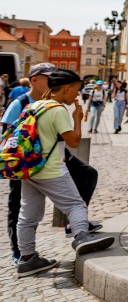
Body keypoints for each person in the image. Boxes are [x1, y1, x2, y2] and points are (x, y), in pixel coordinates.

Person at [15, 69, 115, 277]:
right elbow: (74, 141)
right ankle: (81, 236)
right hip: (51, 169)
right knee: (75, 204)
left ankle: (27, 258)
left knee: (28, 214)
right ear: (67, 88)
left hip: (29, 168)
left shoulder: (33, 106)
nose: (77, 96)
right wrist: (78, 118)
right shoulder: (58, 110)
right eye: (76, 91)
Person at [3, 63, 55, 264]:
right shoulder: (20, 102)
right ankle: (18, 251)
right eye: (49, 78)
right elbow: (7, 135)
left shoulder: (50, 102)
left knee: (86, 175)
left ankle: (76, 224)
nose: (53, 82)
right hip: (22, 164)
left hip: (45, 162)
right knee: (17, 205)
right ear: (35, 79)